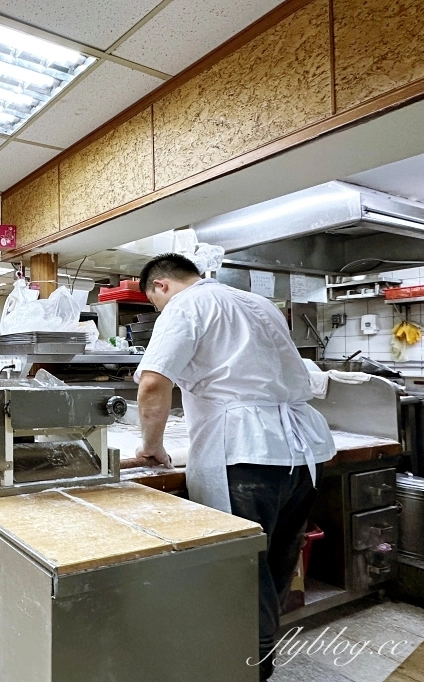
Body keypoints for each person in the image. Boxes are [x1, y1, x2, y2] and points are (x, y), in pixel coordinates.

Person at [132, 253, 335, 681]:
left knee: (240, 572)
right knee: (274, 568)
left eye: (154, 303)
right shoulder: (258, 303)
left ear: (160, 286)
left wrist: (151, 447)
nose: (159, 308)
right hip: (302, 453)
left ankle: (242, 668)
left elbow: (153, 383)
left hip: (245, 451)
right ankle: (258, 661)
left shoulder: (185, 305)